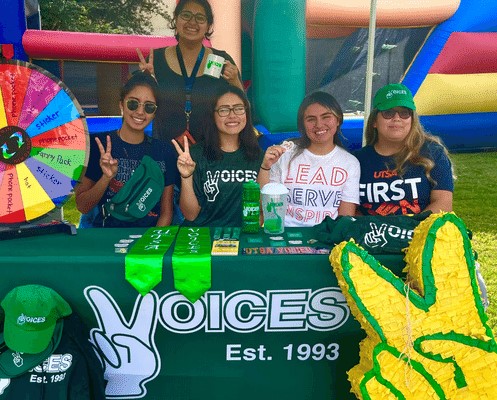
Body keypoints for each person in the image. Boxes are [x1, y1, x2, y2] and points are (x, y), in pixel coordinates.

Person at [75, 72, 178, 227]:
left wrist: (152, 246)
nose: (140, 112)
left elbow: (166, 213)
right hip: (106, 237)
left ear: (155, 112)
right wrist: (106, 178)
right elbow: (82, 206)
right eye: (133, 103)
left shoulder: (164, 151)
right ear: (121, 104)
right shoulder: (99, 145)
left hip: (148, 239)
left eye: (149, 107)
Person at [138, 0, 243, 144]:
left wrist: (234, 81)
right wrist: (144, 83)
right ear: (176, 19)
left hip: (211, 152)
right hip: (163, 149)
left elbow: (242, 109)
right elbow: (137, 106)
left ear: (208, 26)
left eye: (200, 18)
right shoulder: (156, 60)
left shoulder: (220, 60)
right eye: (186, 15)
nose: (192, 22)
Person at [258, 91, 360, 227]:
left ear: (338, 120)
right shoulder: (285, 154)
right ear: (302, 124)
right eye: (311, 119)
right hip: (285, 236)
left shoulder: (350, 163)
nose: (319, 124)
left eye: (326, 117)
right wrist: (266, 167)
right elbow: (263, 205)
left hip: (327, 236)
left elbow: (345, 219)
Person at [355, 83, 454, 216]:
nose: (397, 118)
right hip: (370, 235)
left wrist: (409, 229)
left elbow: (443, 204)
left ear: (412, 119)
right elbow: (351, 210)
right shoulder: (357, 160)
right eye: (388, 113)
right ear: (374, 121)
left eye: (404, 113)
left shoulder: (433, 153)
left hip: (420, 233)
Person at [172, 86, 263, 227]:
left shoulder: (257, 155)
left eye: (239, 108)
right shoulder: (196, 154)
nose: (232, 115)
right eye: (224, 110)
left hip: (242, 237)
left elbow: (261, 212)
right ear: (212, 116)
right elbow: (190, 215)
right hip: (203, 238)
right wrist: (186, 177)